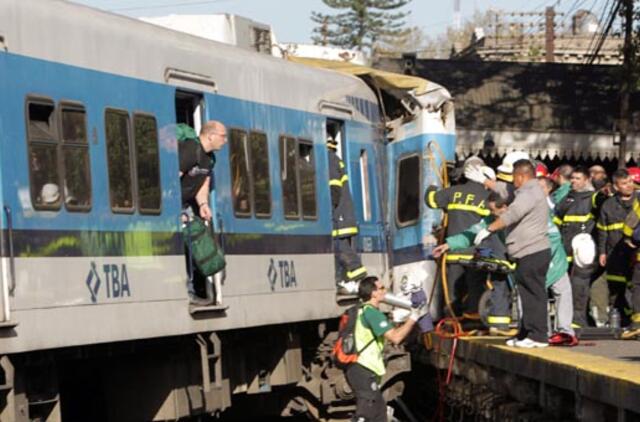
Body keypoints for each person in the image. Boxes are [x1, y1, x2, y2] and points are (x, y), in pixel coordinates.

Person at [474, 160, 551, 348]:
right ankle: (525, 332)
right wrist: (488, 182)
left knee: (534, 293)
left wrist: (489, 229)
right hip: (527, 251)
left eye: (513, 177)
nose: (512, 181)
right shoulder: (525, 191)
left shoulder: (529, 193)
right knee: (526, 294)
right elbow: (506, 190)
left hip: (533, 250)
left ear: (521, 176)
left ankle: (538, 336)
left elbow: (512, 214)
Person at [431, 191, 516, 335]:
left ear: (506, 207)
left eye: (494, 210)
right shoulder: (489, 220)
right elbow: (471, 234)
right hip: (503, 258)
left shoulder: (519, 218)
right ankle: (495, 323)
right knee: (493, 279)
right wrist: (447, 245)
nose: (492, 214)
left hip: (519, 257)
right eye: (490, 210)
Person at [346, 276, 426, 422]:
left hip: (361, 369)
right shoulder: (372, 313)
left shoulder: (361, 311)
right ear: (373, 293)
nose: (385, 290)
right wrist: (413, 318)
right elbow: (395, 337)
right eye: (382, 288)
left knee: (379, 412)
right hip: (363, 368)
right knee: (366, 413)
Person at [425, 156, 491, 319]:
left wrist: (434, 183)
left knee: (453, 289)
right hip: (482, 252)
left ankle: (452, 320)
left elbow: (431, 200)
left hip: (455, 250)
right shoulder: (489, 196)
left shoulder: (453, 192)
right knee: (477, 286)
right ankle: (474, 318)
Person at [179, 121, 227, 305]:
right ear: (210, 135)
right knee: (186, 242)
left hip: (187, 203)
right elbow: (172, 178)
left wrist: (203, 204)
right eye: (223, 136)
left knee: (197, 239)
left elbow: (203, 184)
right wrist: (175, 209)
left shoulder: (210, 158)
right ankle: (190, 290)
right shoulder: (190, 150)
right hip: (176, 204)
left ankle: (197, 288)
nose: (225, 140)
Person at [554, 166, 599, 329]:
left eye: (577, 178)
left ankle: (578, 320)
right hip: (565, 249)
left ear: (587, 180)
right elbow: (556, 223)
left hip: (584, 251)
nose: (573, 181)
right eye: (572, 178)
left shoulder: (593, 198)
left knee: (579, 284)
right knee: (565, 286)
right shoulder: (566, 199)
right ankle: (572, 319)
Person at [538, 176, 578, 346]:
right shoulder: (534, 205)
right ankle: (542, 331)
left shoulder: (552, 204)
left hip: (554, 256)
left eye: (539, 187)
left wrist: (569, 181)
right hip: (538, 255)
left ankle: (564, 330)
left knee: (563, 291)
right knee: (538, 294)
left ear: (548, 189)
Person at [327, 136, 367, 294]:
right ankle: (353, 279)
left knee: (339, 247)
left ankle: (357, 276)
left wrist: (326, 211)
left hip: (339, 216)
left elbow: (333, 189)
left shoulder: (328, 159)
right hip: (343, 214)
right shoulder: (335, 158)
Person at [598, 168, 637, 327]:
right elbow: (603, 231)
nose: (628, 186)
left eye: (630, 182)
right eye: (624, 183)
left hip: (635, 251)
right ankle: (624, 320)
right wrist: (602, 252)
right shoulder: (608, 205)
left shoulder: (639, 200)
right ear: (616, 186)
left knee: (635, 287)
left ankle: (634, 320)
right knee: (617, 288)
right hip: (616, 253)